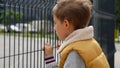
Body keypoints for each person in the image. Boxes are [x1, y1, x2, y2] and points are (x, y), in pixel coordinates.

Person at [44, 0, 110, 68]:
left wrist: (49, 59)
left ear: (66, 24)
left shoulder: (75, 53)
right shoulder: (91, 43)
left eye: (55, 23)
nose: (54, 28)